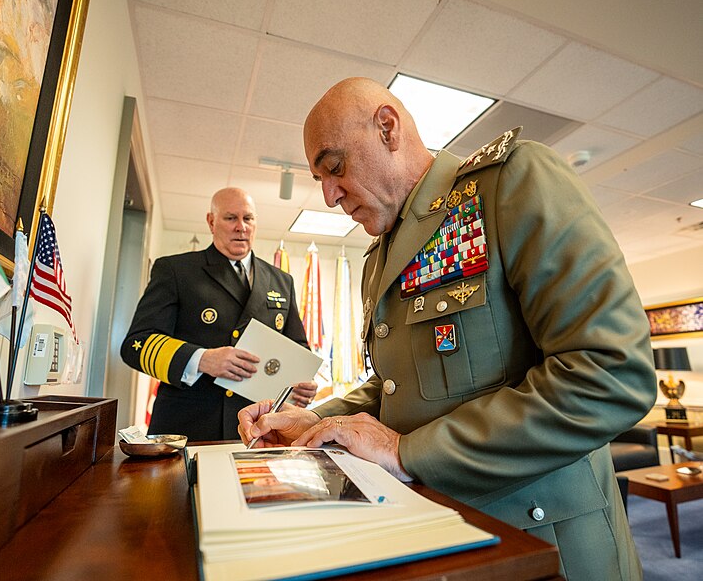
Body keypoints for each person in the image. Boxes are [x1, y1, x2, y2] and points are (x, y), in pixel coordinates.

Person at [239, 78, 656, 580]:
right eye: (320, 179)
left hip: (544, 542)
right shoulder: (379, 255)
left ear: (387, 128)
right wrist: (321, 423)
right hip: (440, 532)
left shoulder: (510, 183)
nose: (329, 195)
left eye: (334, 168)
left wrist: (405, 451)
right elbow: (401, 384)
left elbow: (610, 376)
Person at [121, 187, 316, 441]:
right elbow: (137, 344)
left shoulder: (281, 281)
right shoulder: (176, 270)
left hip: (258, 429)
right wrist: (201, 360)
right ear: (211, 222)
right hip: (189, 425)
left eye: (248, 218)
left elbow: (297, 346)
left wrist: (301, 382)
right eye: (230, 218)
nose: (241, 227)